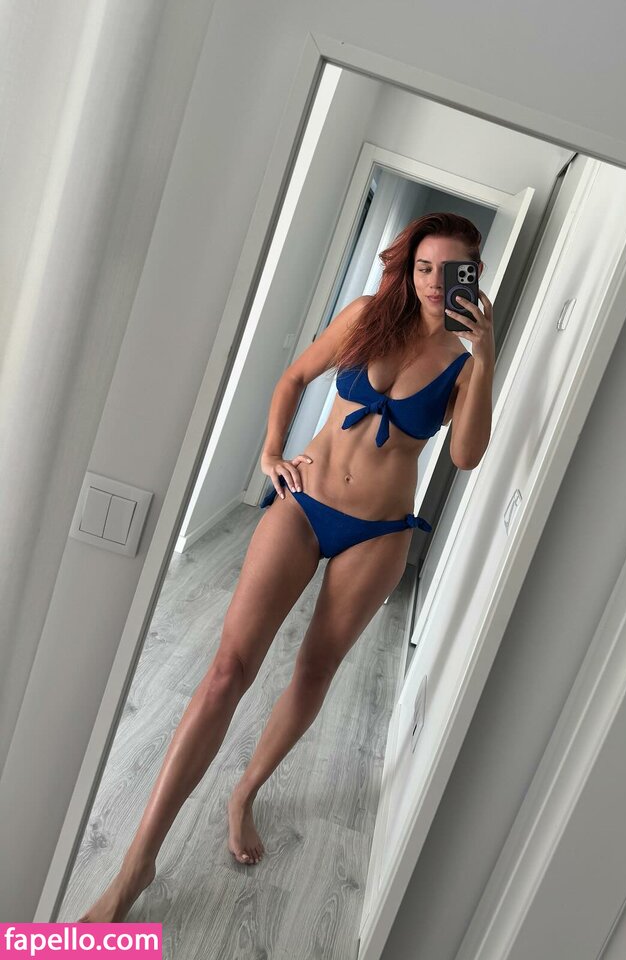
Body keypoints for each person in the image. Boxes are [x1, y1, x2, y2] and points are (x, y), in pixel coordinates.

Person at [79, 212, 495, 922]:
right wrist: (272, 452)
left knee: (314, 671)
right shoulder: (366, 316)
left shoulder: (463, 358)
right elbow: (296, 376)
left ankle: (244, 793)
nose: (433, 282)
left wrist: (487, 356)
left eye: (449, 270)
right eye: (424, 267)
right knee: (226, 671)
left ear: (473, 275)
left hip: (378, 533)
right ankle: (137, 864)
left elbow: (466, 455)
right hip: (303, 506)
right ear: (409, 267)